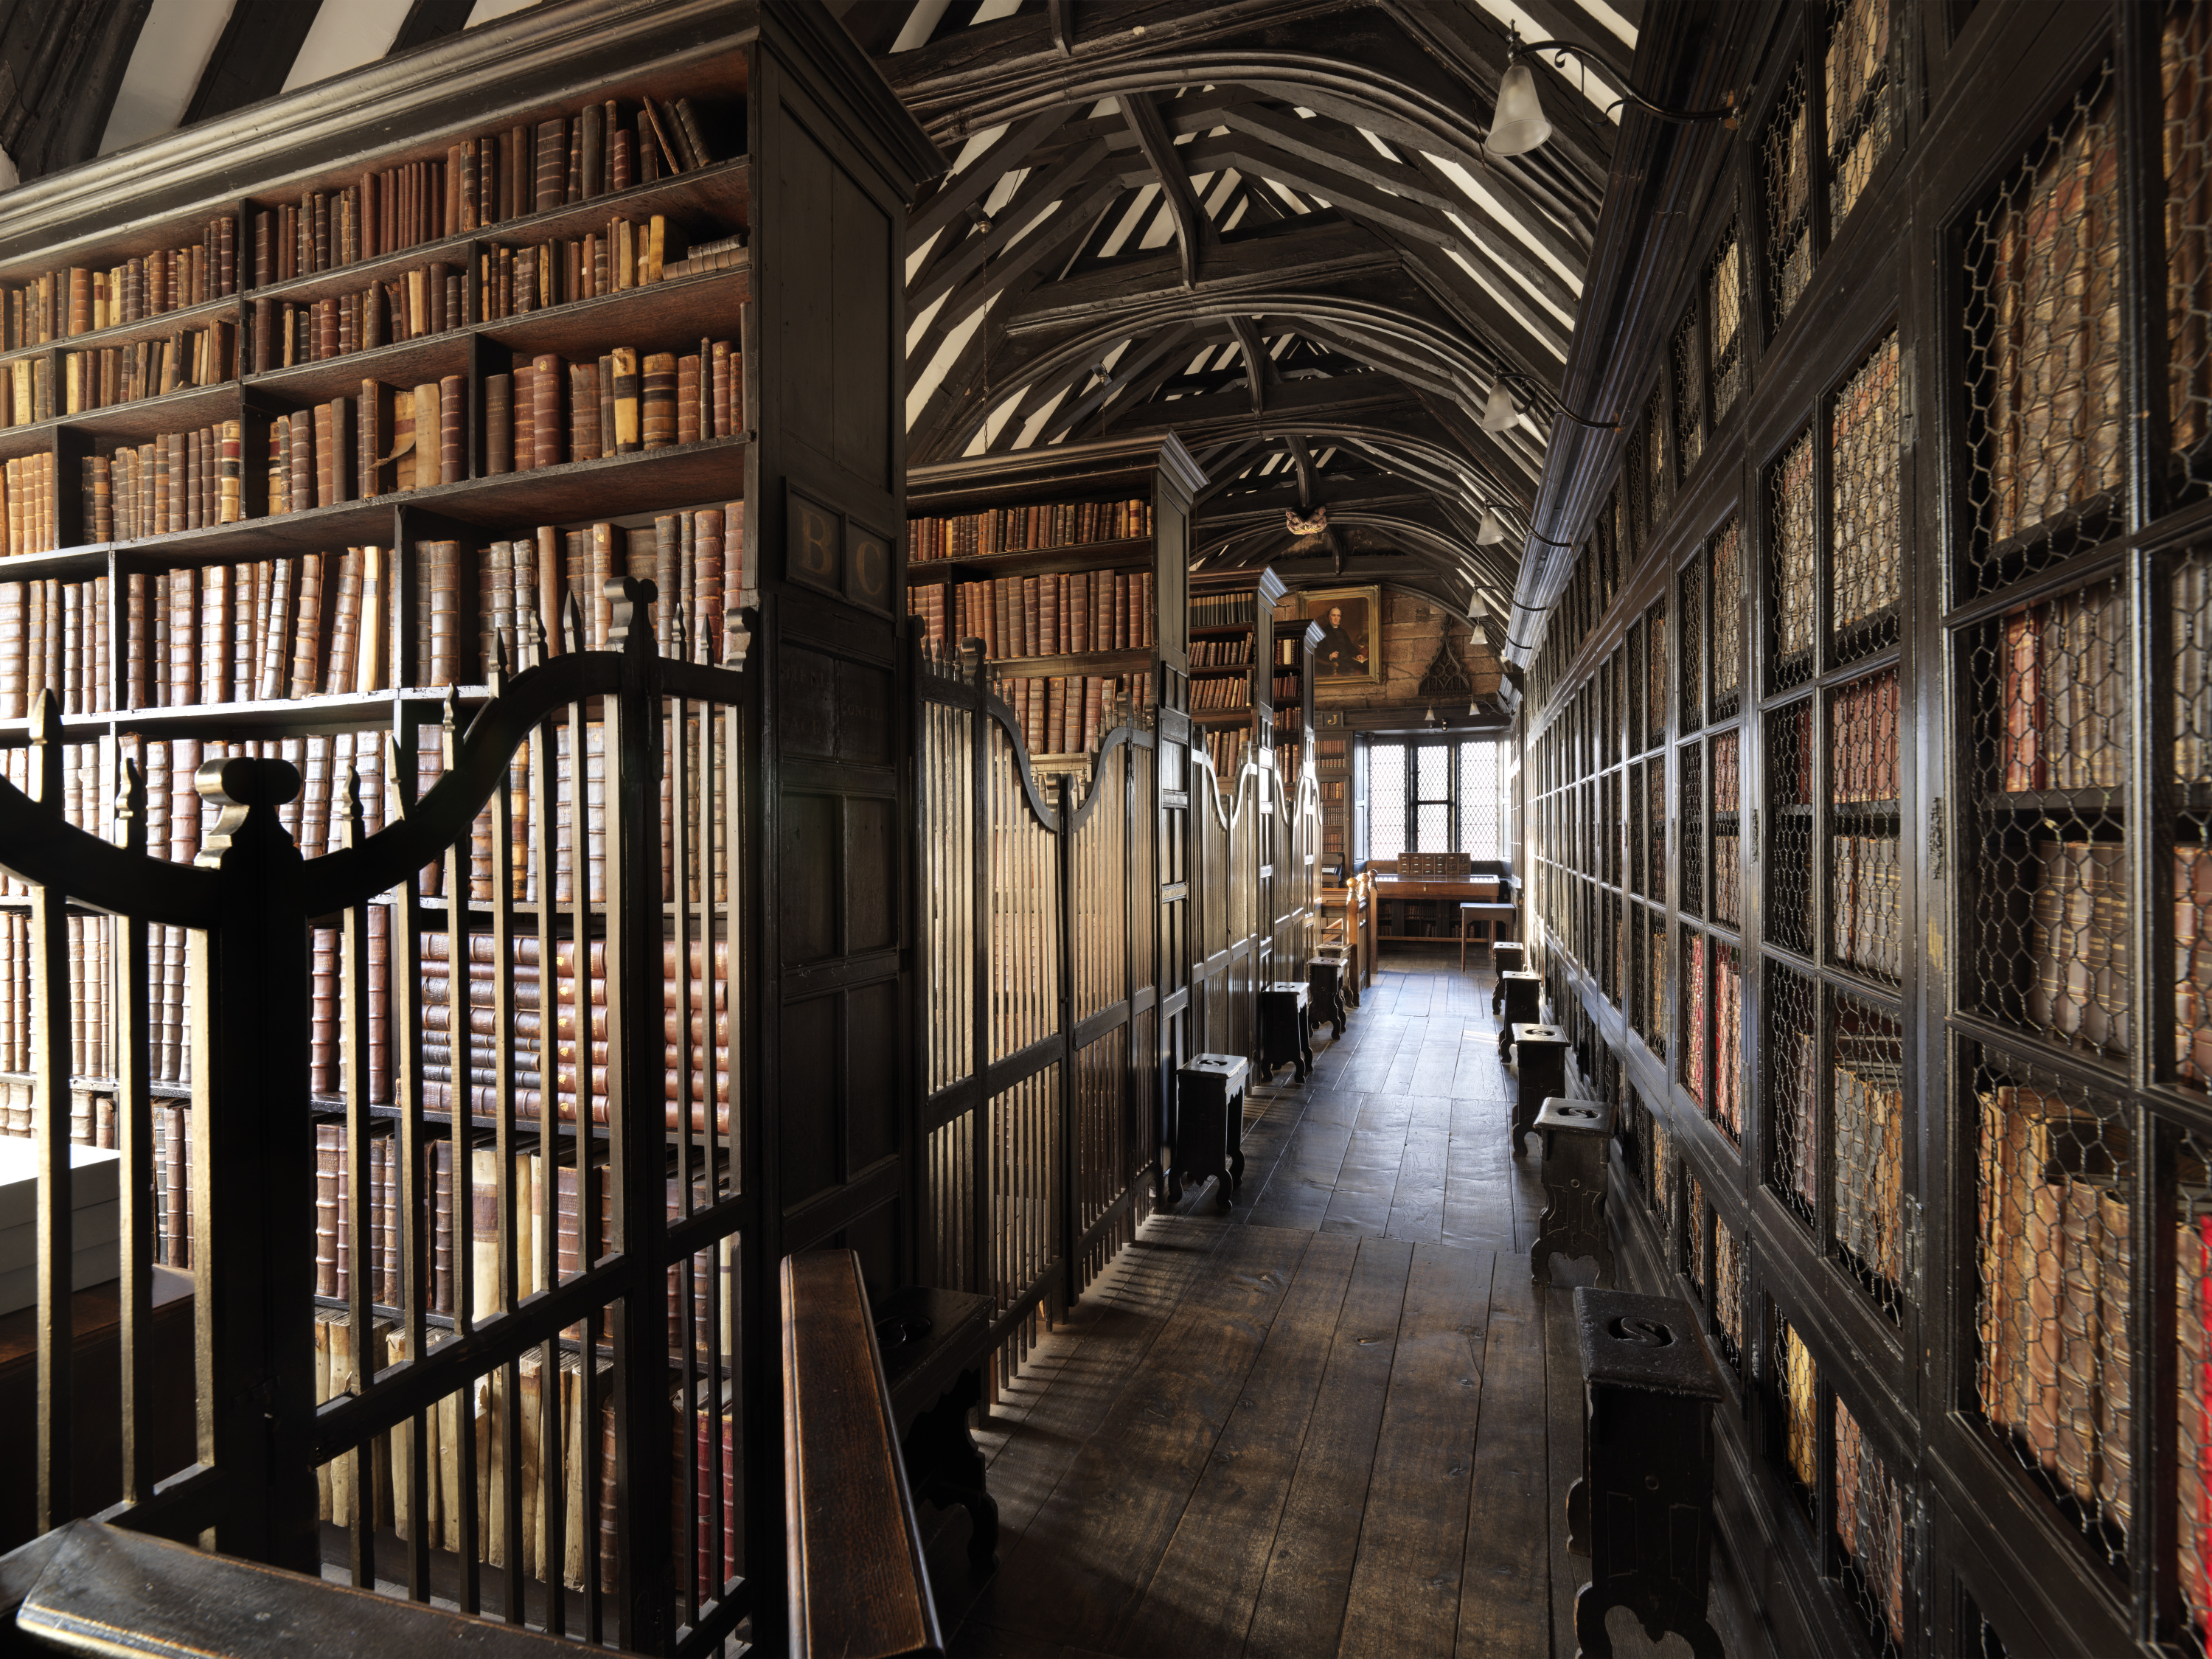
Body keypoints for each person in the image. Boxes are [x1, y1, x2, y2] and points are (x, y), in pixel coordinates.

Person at [1312, 602, 1366, 676]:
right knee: (1350, 671)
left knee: (1367, 665)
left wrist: (1357, 654)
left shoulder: (1343, 632)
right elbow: (1318, 651)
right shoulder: (1322, 632)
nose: (1336, 618)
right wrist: (1330, 655)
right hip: (1334, 663)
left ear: (1340, 618)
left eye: (1338, 616)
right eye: (1334, 615)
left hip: (1347, 660)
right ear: (1329, 617)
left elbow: (1350, 646)